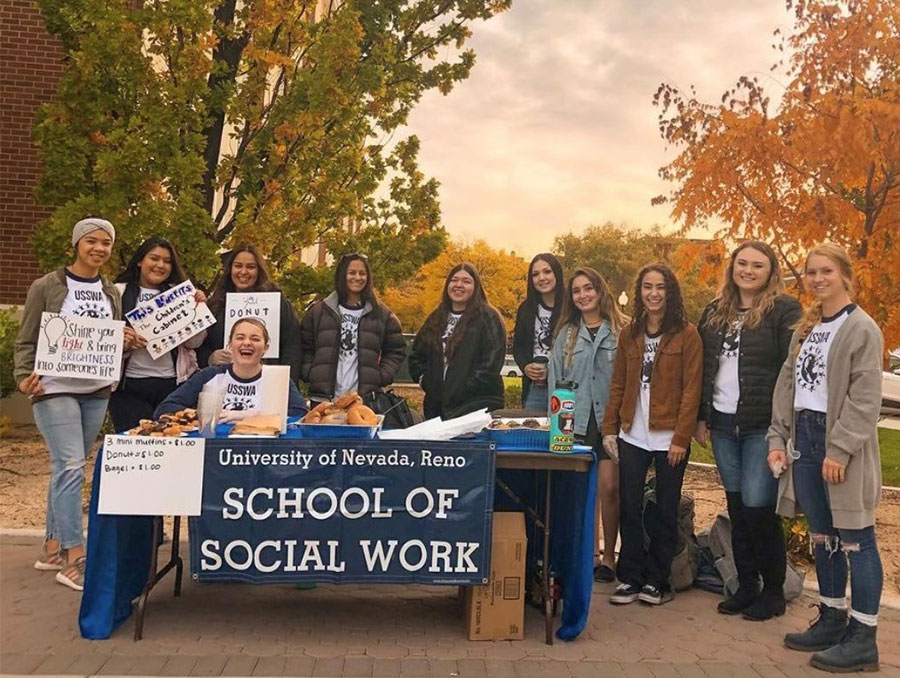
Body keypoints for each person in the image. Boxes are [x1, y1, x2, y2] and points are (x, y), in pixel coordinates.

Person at [767, 244, 884, 673]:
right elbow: (788, 386)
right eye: (811, 272)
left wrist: (840, 448)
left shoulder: (861, 329)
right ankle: (832, 618)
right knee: (824, 536)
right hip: (804, 439)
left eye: (826, 271)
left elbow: (865, 396)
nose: (817, 279)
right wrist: (777, 437)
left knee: (857, 540)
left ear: (845, 275)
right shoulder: (807, 328)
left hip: (840, 446)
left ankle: (863, 637)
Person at [14, 218, 133, 591]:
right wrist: (22, 377)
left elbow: (110, 337)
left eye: (106, 243)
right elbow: (27, 338)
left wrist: (123, 342)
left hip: (96, 390)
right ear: (77, 244)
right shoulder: (47, 285)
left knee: (66, 467)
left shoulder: (110, 290)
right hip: (53, 387)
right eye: (92, 241)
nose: (99, 248)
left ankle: (50, 547)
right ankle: (73, 556)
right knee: (69, 465)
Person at [696, 242, 802, 620]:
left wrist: (784, 426)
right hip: (723, 423)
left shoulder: (783, 311)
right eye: (742, 263)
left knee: (759, 507)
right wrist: (700, 416)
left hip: (762, 425)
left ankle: (773, 589)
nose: (749, 271)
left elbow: (790, 371)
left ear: (770, 271)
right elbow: (704, 368)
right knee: (737, 506)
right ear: (732, 268)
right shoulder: (714, 312)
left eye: (758, 265)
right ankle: (746, 584)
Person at [601, 263, 702, 606]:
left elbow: (692, 390)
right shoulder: (630, 333)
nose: (653, 293)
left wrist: (681, 438)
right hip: (633, 434)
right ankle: (630, 576)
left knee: (664, 508)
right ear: (640, 290)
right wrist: (610, 429)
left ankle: (658, 580)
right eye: (647, 287)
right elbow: (618, 384)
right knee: (629, 505)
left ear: (670, 291)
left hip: (668, 436)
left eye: (660, 287)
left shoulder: (687, 334)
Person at [548, 267, 626, 584]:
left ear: (600, 290)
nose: (583, 295)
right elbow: (556, 381)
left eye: (588, 288)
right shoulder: (566, 334)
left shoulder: (621, 329)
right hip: (575, 421)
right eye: (577, 291)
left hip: (610, 422)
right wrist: (557, 429)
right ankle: (589, 555)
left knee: (609, 488)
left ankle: (609, 558)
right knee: (584, 492)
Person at [110, 237, 208, 433]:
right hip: (128, 387)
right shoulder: (116, 293)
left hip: (174, 384)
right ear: (140, 261)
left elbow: (195, 343)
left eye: (167, 261)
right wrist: (124, 341)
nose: (160, 265)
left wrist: (198, 311)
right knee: (135, 446)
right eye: (154, 258)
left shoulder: (181, 295)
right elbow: (103, 341)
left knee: (173, 445)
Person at [300, 253, 406, 406]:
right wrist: (311, 373)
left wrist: (381, 376)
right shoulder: (319, 312)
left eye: (362, 273)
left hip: (364, 401)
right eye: (351, 272)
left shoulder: (382, 314)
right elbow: (304, 346)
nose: (357, 277)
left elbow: (396, 350)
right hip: (324, 400)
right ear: (342, 275)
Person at [156, 318, 306, 419]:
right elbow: (165, 408)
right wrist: (200, 415)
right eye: (240, 338)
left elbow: (300, 414)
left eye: (255, 339)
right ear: (230, 344)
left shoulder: (278, 378)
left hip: (261, 453)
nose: (247, 343)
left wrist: (248, 416)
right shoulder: (209, 375)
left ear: (266, 348)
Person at [409, 263, 506, 419]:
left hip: (474, 405)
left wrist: (461, 388)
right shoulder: (437, 317)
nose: (459, 285)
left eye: (466, 281)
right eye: (454, 280)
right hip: (436, 407)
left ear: (476, 287)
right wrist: (425, 381)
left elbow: (491, 363)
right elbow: (416, 354)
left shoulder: (488, 317)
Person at [198, 245, 302, 383]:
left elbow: (292, 345)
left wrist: (286, 384)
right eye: (238, 266)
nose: (243, 272)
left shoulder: (277, 302)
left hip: (267, 384)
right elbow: (199, 346)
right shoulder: (215, 305)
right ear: (230, 270)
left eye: (251, 267)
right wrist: (209, 358)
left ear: (259, 271)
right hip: (224, 384)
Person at [513, 253, 565, 411]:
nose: (541, 278)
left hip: (565, 385)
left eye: (547, 272)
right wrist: (526, 366)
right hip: (536, 387)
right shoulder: (526, 309)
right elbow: (518, 347)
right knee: (533, 428)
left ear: (556, 273)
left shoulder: (571, 307)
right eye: (535, 274)